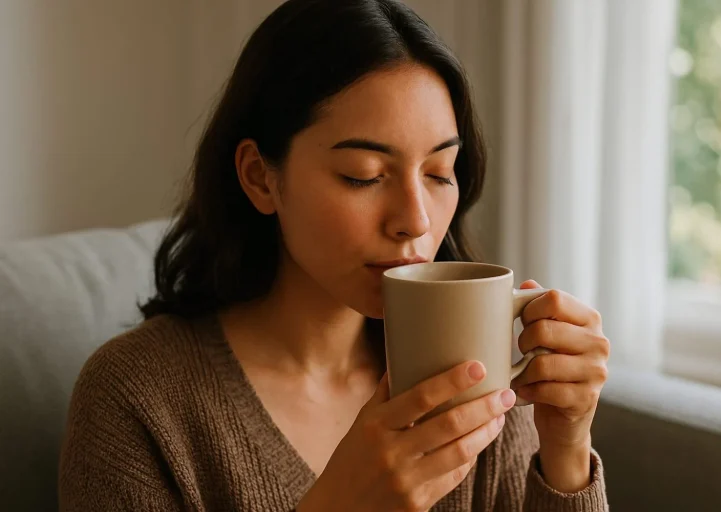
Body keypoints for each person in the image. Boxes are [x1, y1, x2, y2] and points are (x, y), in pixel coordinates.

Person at [58, 0, 610, 510]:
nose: (416, 220)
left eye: (440, 173)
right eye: (363, 176)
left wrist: (566, 448)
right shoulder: (137, 399)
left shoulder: (478, 368)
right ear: (259, 178)